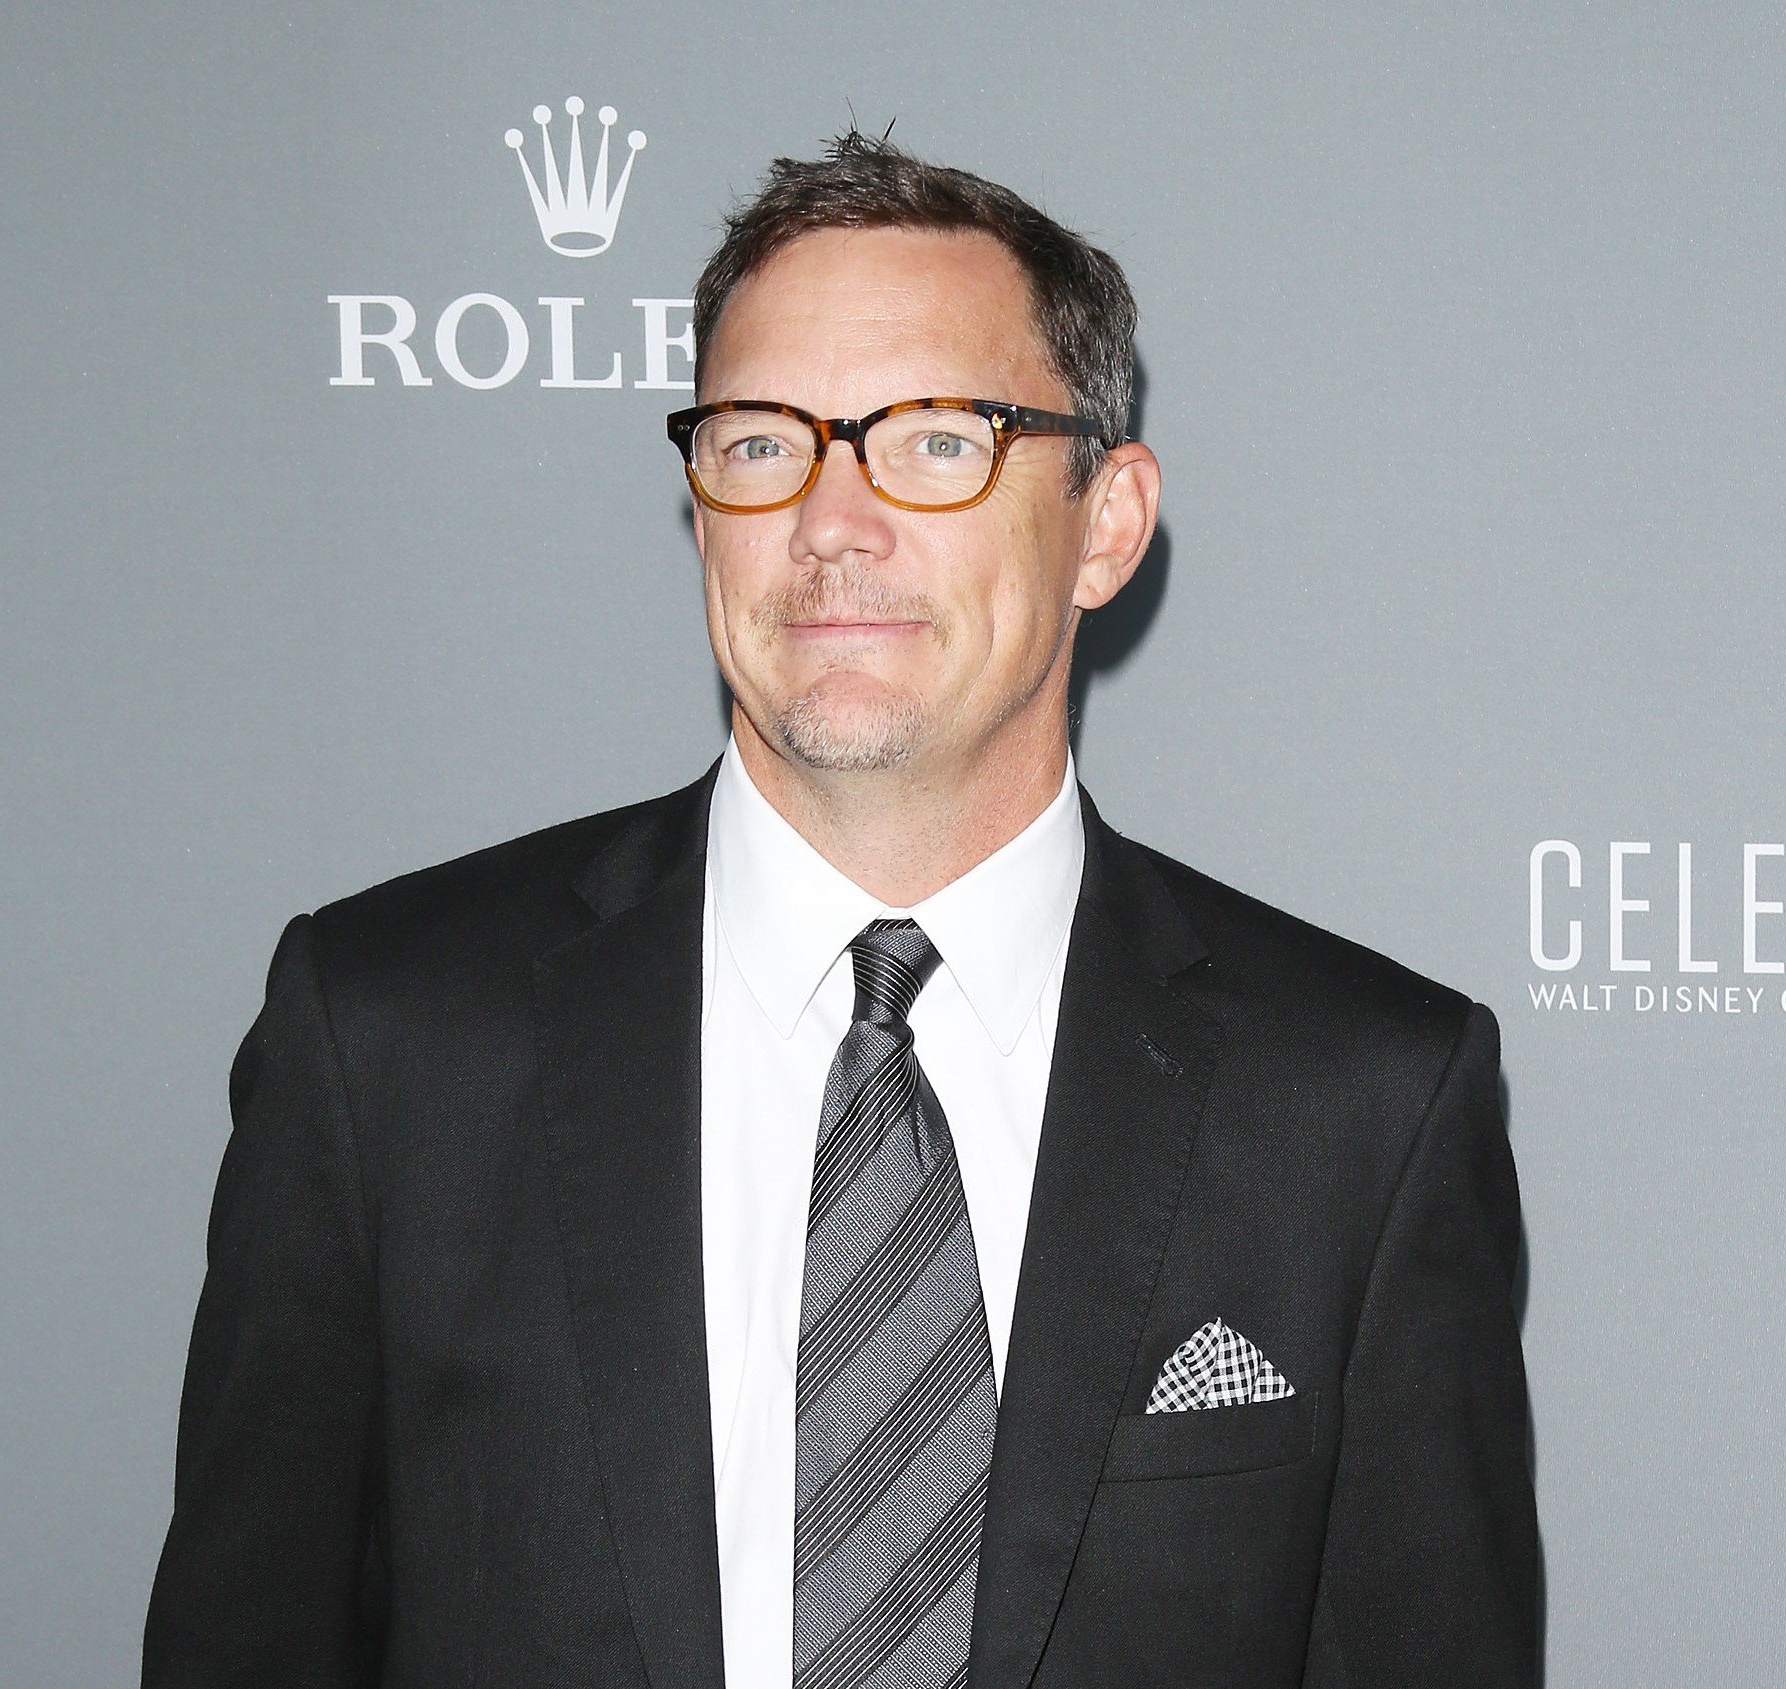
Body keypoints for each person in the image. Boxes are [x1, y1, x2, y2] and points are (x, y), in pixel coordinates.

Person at [143, 133, 1539, 1688]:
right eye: (760, 443)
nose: (830, 520)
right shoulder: (390, 1043)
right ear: (702, 508)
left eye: (936, 441)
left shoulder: (1363, 1101)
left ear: (1106, 520)